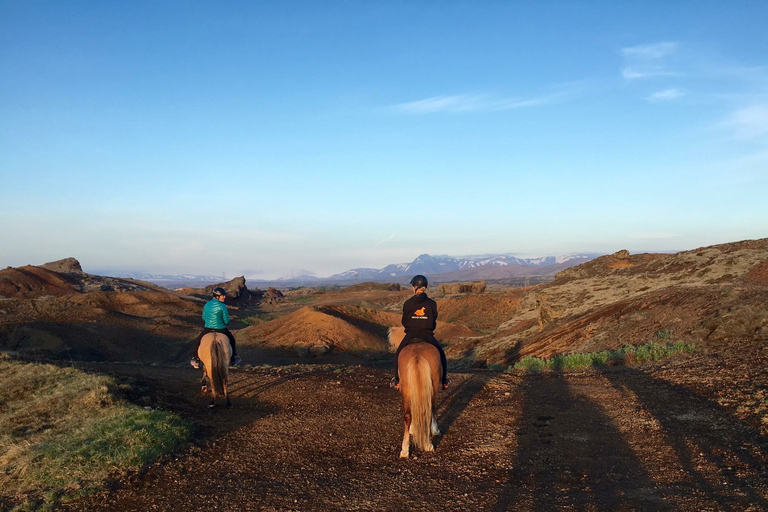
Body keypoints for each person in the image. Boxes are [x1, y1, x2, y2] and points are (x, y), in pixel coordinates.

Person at [391, 275, 450, 390]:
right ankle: (444, 381)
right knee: (441, 354)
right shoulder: (432, 303)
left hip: (411, 335)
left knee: (398, 354)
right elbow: (433, 320)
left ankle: (397, 380)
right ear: (424, 287)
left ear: (415, 287)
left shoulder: (408, 303)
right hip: (427, 335)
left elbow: (404, 321)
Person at [190, 287, 241, 368]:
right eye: (223, 295)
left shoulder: (207, 304)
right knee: (232, 340)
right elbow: (227, 321)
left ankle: (195, 359)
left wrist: (209, 322)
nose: (224, 297)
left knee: (198, 341)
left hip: (208, 329)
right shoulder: (222, 306)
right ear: (217, 296)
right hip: (221, 329)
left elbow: (203, 317)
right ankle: (233, 358)